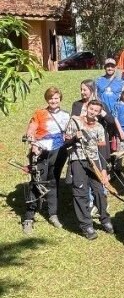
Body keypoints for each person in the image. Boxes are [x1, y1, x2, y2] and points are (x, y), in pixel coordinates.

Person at [22, 87, 70, 234]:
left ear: (60, 99)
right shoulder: (40, 113)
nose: (53, 101)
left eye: (56, 98)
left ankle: (53, 214)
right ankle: (28, 218)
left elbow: (69, 133)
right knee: (37, 182)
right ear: (47, 99)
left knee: (53, 181)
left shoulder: (66, 115)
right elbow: (31, 130)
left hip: (59, 151)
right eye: (50, 98)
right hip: (41, 151)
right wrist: (33, 143)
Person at [65, 100, 114, 239]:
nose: (92, 112)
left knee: (99, 190)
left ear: (99, 113)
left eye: (96, 111)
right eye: (91, 109)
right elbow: (66, 141)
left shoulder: (99, 127)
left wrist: (103, 168)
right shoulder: (75, 121)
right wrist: (75, 138)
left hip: (94, 162)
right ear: (87, 108)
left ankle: (104, 219)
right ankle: (86, 225)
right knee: (80, 192)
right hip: (78, 160)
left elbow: (102, 147)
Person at [71, 79, 114, 164]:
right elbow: (73, 120)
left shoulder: (101, 105)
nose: (82, 92)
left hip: (98, 141)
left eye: (84, 90)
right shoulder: (77, 104)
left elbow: (111, 121)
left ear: (92, 90)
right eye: (81, 90)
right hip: (82, 141)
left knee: (100, 167)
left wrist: (102, 113)